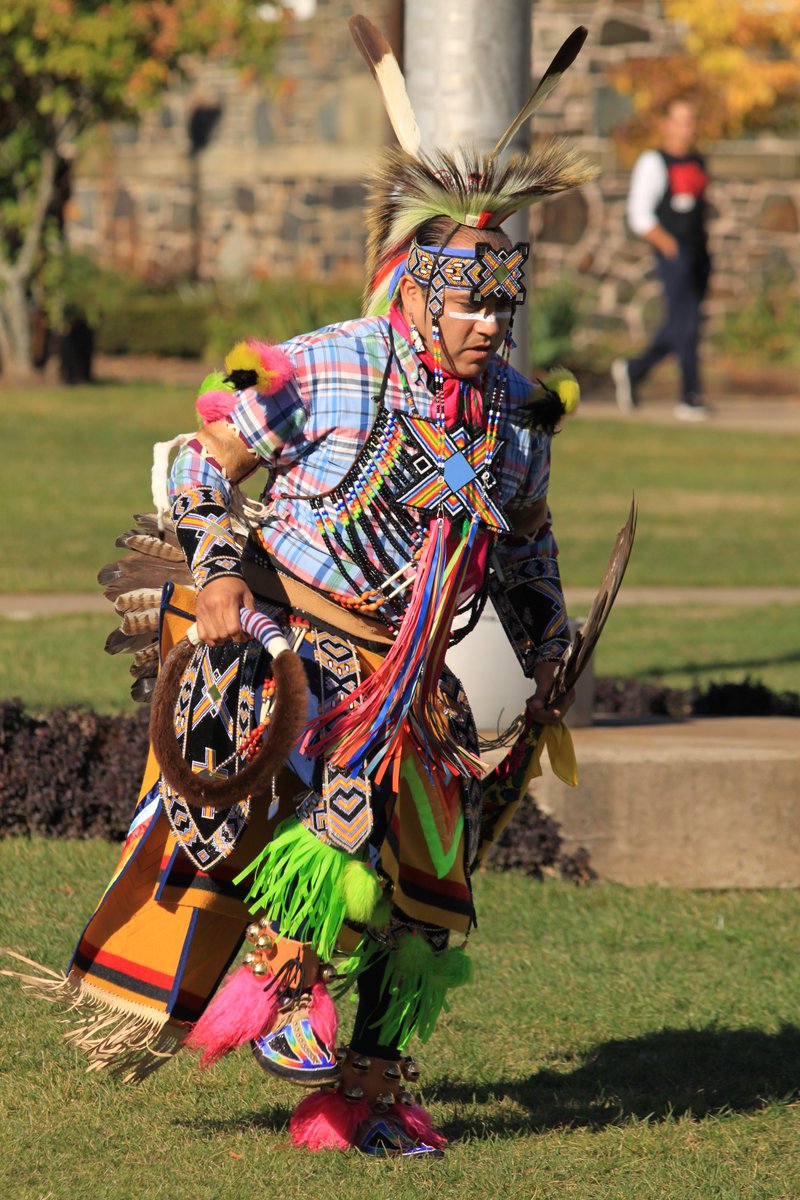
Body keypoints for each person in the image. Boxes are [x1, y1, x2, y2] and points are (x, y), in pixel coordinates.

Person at [8, 20, 596, 1159]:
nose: (486, 328)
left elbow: (523, 538)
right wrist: (219, 573)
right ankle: (286, 995)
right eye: (468, 306)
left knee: (431, 895)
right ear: (419, 293)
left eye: (502, 311)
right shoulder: (330, 365)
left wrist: (545, 642)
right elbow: (200, 459)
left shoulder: (514, 411)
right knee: (334, 838)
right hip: (293, 640)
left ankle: (363, 1097)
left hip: (417, 672)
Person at [612, 98, 712, 421]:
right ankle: (689, 396)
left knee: (683, 323)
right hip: (673, 251)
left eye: (692, 119)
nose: (688, 127)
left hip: (698, 253)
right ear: (666, 124)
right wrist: (669, 245)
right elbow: (639, 214)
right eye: (681, 120)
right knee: (687, 324)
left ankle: (633, 369)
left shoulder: (697, 161)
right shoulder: (654, 161)